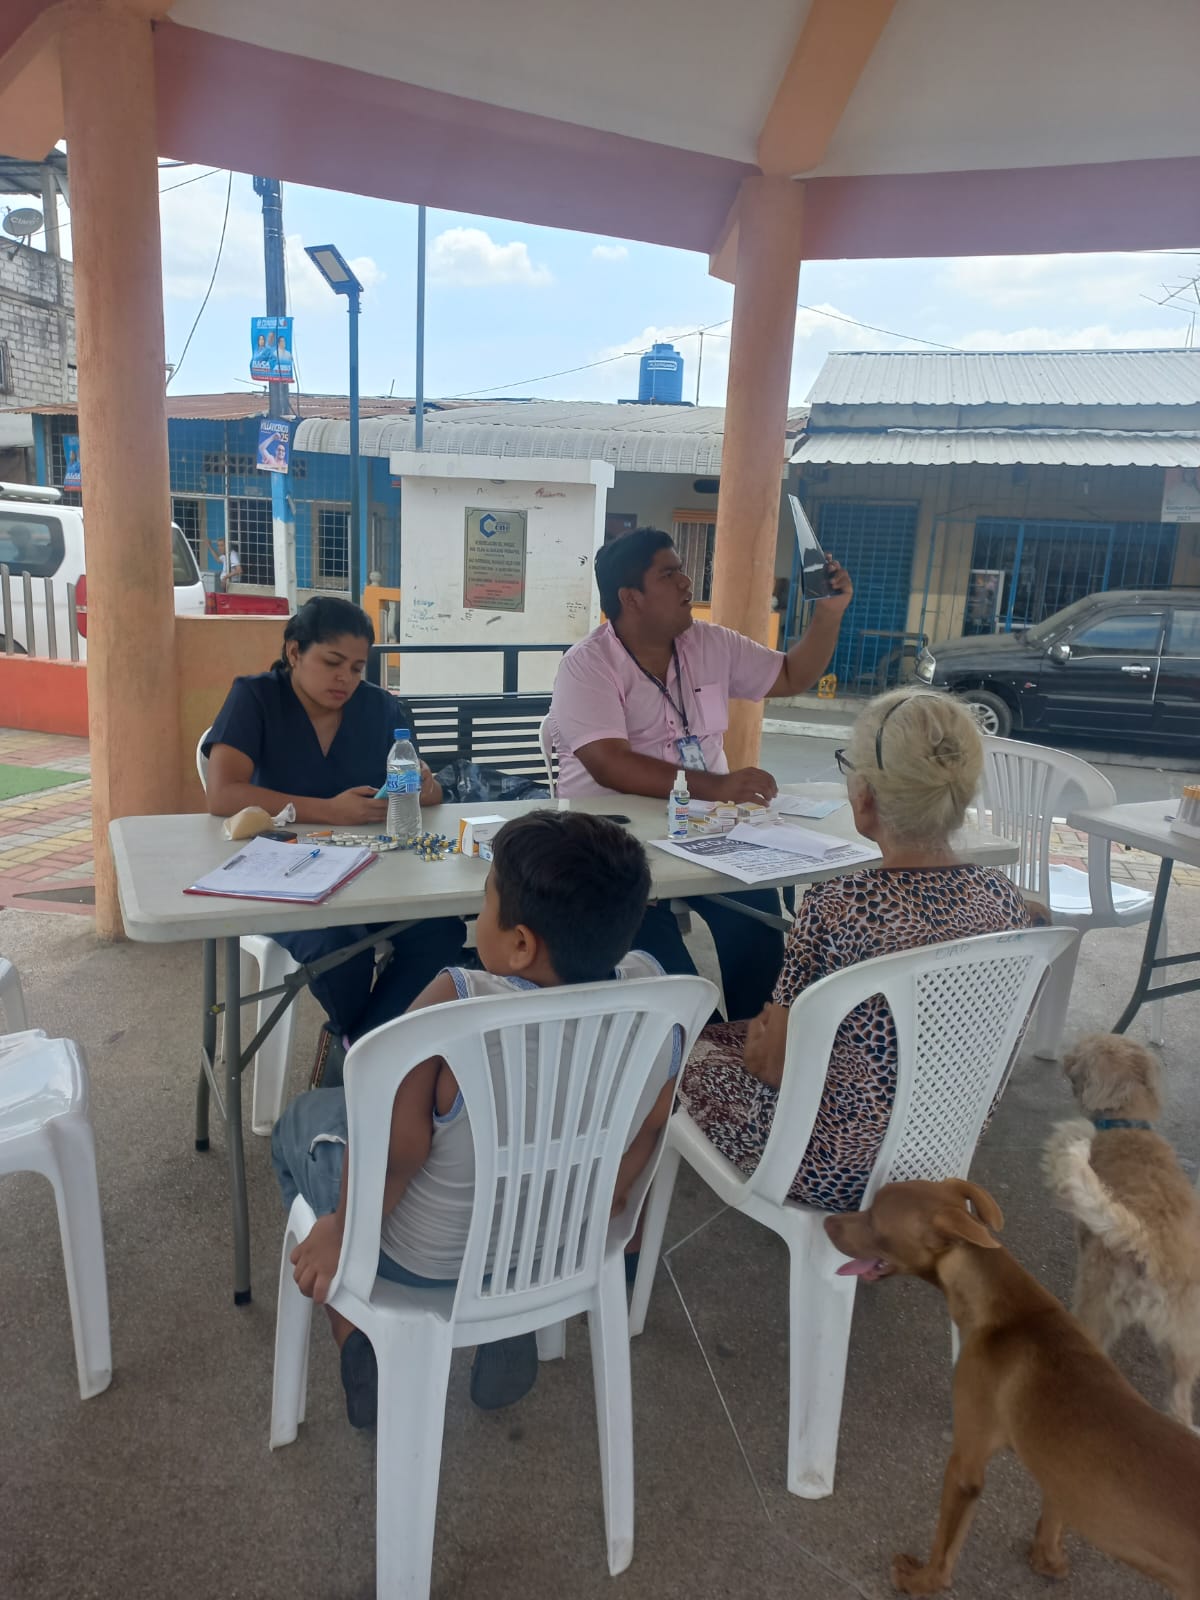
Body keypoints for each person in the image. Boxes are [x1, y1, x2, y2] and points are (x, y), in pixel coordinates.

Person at [274, 810, 683, 1426]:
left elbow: (395, 1154)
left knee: (302, 1122)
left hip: (424, 1258)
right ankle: (508, 1318)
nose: (477, 914)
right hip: (553, 1249)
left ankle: (356, 1333)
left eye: (486, 902)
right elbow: (647, 1135)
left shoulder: (458, 1000)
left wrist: (341, 1229)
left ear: (520, 944)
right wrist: (585, 1217)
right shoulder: (660, 1000)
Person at [678, 689, 1032, 1212]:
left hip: (826, 1168)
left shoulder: (838, 905)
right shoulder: (1004, 898)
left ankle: (625, 1206)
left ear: (864, 796)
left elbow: (771, 1065)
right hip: (938, 1155)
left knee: (675, 1045)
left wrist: (759, 1043)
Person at [548, 526, 853, 1020]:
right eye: (669, 574)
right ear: (631, 597)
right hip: (613, 839)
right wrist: (717, 786)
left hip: (708, 829)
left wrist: (829, 613)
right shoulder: (587, 664)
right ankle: (699, 1050)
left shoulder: (711, 643)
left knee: (756, 917)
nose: (687, 582)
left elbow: (791, 675)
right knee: (659, 959)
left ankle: (757, 1036)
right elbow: (608, 762)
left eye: (682, 571)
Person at [203, 596, 467, 1070]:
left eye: (357, 668)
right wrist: (329, 810)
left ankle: (358, 1048)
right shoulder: (256, 698)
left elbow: (420, 792)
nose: (345, 678)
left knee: (440, 932)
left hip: (372, 870)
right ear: (294, 652)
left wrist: (424, 787)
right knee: (338, 947)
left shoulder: (379, 708)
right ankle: (369, 1053)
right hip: (279, 873)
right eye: (332, 662)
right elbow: (223, 794)